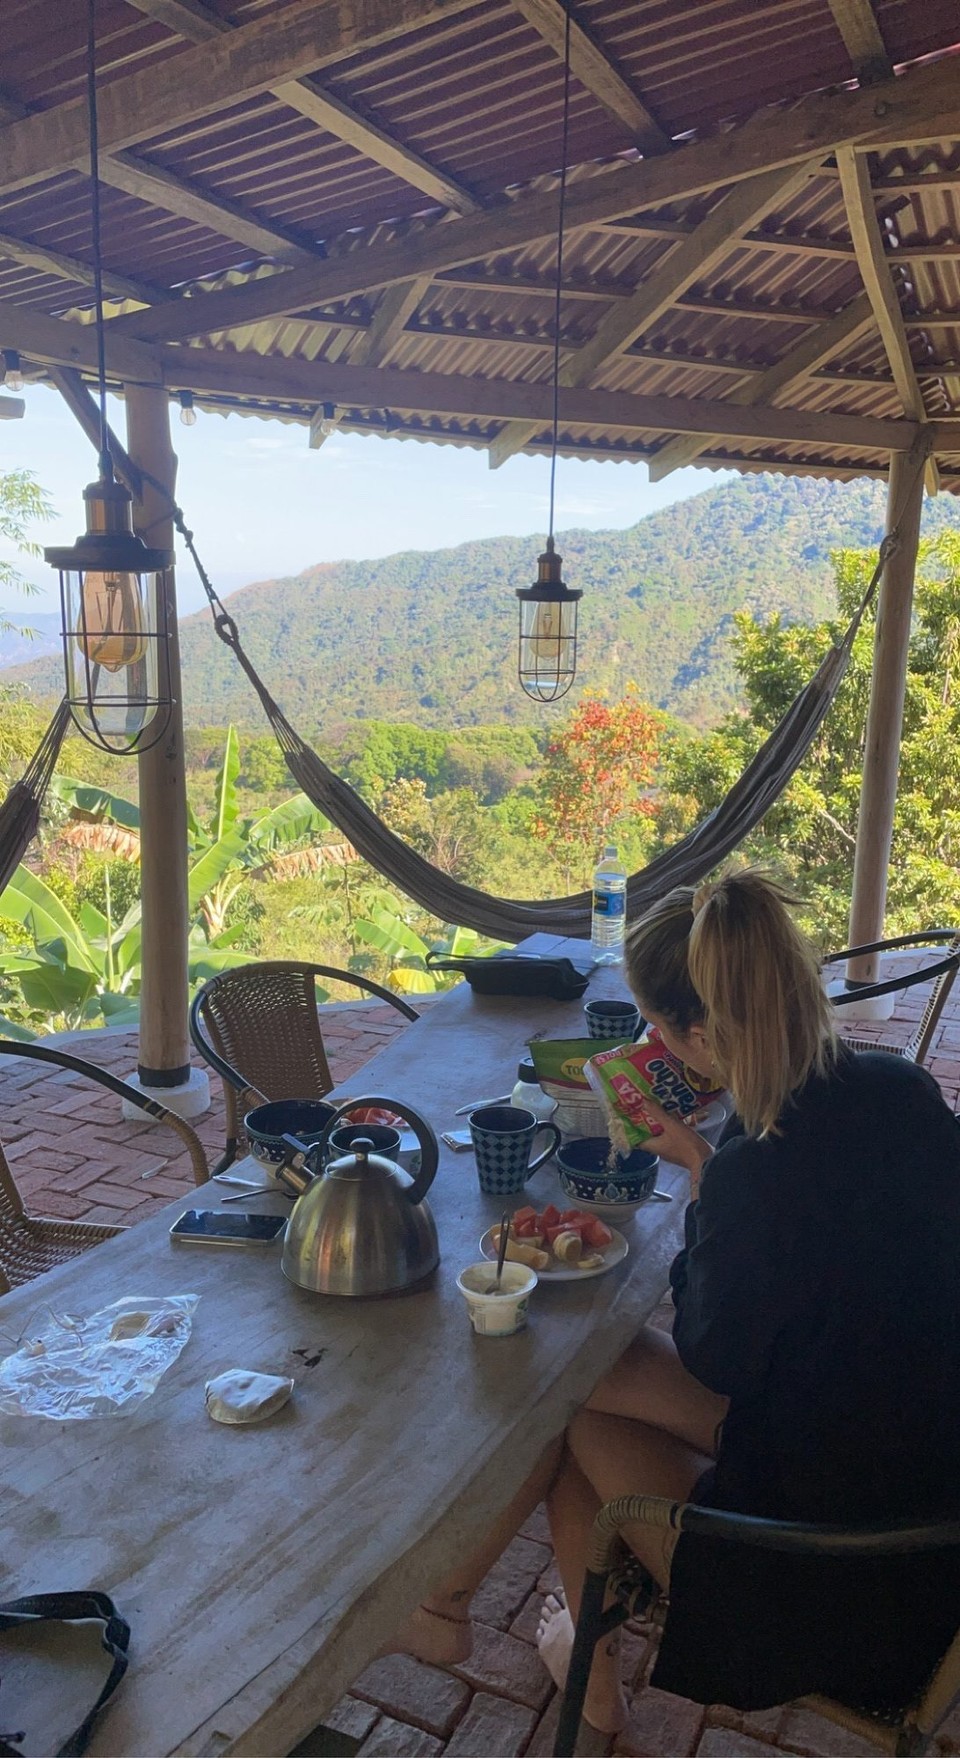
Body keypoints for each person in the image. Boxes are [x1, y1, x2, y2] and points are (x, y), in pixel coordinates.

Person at [392, 871, 960, 1742]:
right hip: (915, 1478)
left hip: (840, 1578)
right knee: (586, 1366)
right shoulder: (902, 1091)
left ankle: (492, 1629)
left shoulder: (755, 1170)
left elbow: (715, 1354)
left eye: (659, 1027)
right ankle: (472, 1617)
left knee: (573, 1416)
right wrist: (707, 1163)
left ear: (698, 1035)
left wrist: (705, 1185)